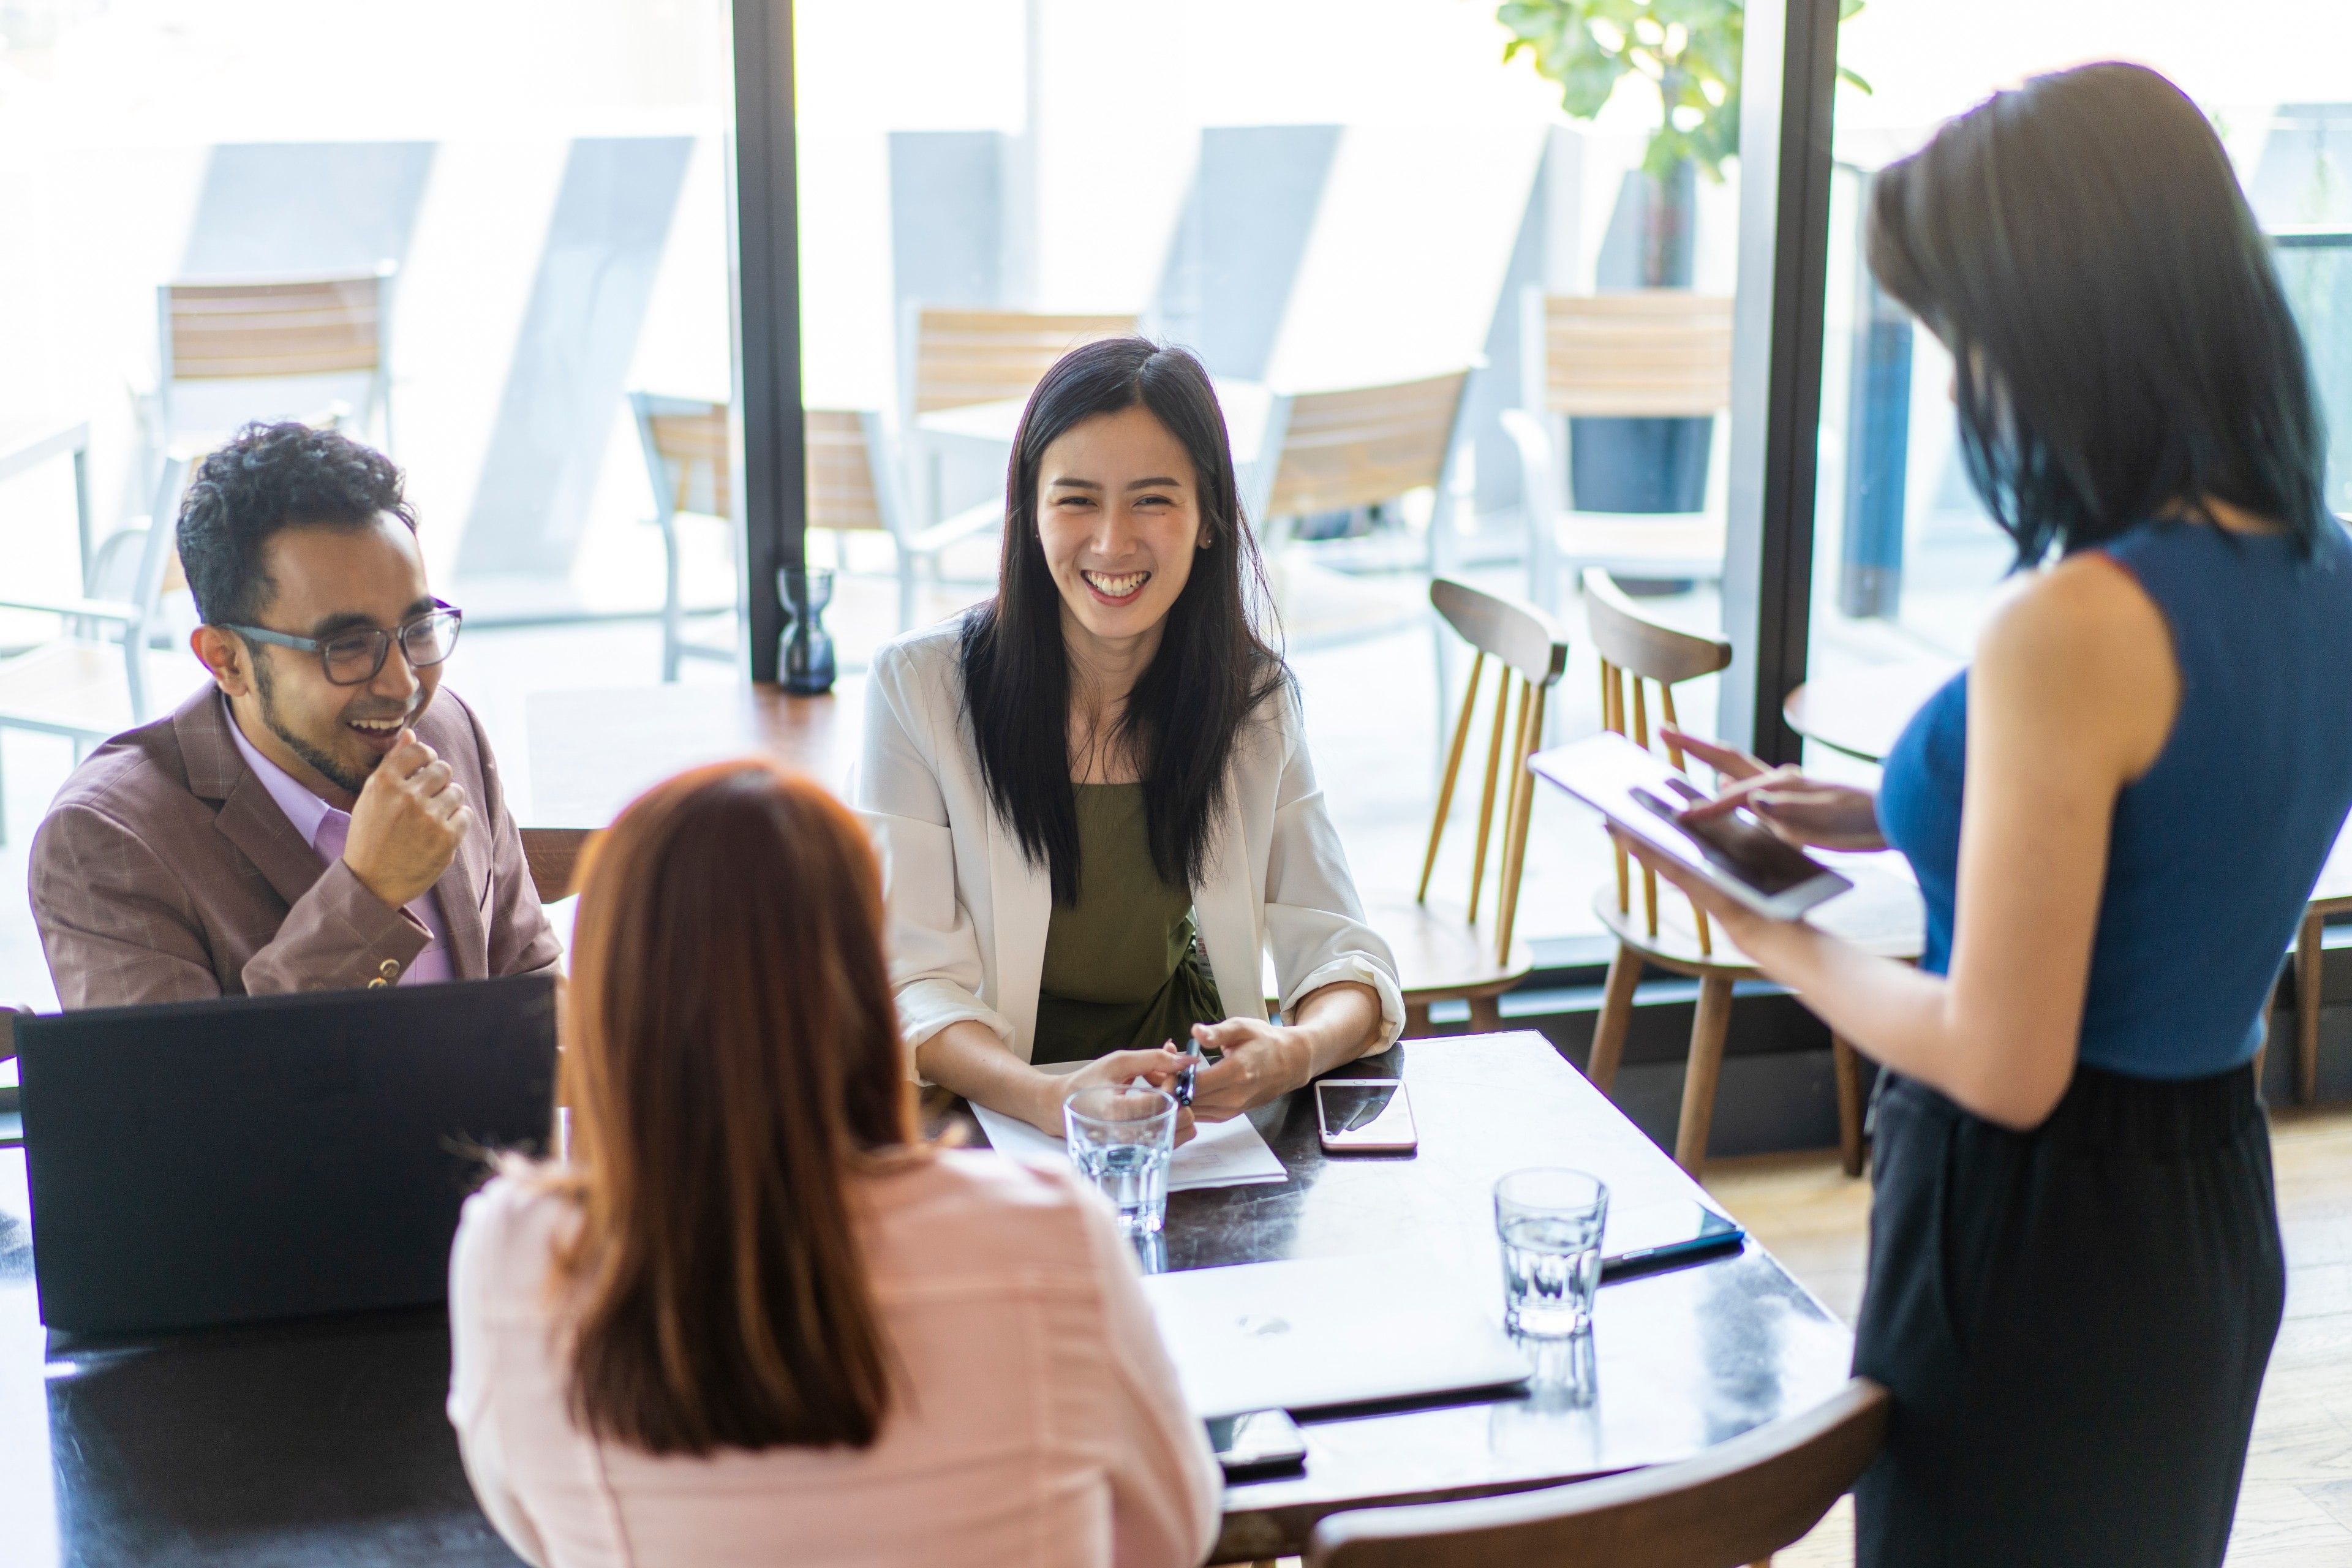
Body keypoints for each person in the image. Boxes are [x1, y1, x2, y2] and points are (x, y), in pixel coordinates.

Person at [1624, 63, 2352, 1568]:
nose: (1955, 380)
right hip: (2205, 1209)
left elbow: (2003, 1062)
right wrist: (1884, 812)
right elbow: (2180, 830)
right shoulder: (2323, 569)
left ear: (2062, 328)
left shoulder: (2073, 622)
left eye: (1961, 335)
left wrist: (1765, 922)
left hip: (2027, 1234)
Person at [447, 760, 1221, 1568]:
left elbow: (533, 1529)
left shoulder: (512, 1253)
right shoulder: (1047, 1232)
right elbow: (1174, 1534)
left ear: (608, 995)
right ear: (861, 983)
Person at [856, 337, 1403, 1133]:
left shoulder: (1252, 701)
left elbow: (1343, 954)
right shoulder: (920, 689)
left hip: (1189, 1114)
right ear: (1030, 514)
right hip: (990, 1107)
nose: (1112, 542)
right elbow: (911, 982)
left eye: (1152, 499)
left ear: (1209, 517)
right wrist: (1049, 1099)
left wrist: (1292, 1052)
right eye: (1076, 499)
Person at [30, 421, 559, 1007]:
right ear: (227, 661)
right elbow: (190, 1095)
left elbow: (532, 980)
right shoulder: (108, 841)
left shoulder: (448, 732)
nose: (404, 683)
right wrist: (369, 897)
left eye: (417, 628)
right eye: (348, 645)